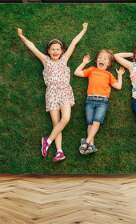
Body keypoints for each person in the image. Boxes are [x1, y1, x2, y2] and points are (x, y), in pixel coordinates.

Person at [16, 22, 88, 162]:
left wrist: (83, 30)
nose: (55, 51)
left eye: (58, 49)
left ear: (62, 51)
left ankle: (47, 142)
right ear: (48, 51)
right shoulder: (45, 60)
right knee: (56, 123)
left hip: (65, 91)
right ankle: (59, 151)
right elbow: (32, 47)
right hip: (51, 93)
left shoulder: (64, 59)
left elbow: (73, 43)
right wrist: (22, 36)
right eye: (52, 49)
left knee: (65, 118)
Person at [74, 50, 124, 154]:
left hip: (102, 102)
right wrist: (84, 63)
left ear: (109, 64)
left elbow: (118, 86)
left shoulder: (109, 75)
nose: (102, 59)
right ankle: (91, 145)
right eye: (100, 58)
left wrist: (120, 75)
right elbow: (76, 72)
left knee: (96, 122)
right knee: (90, 123)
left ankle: (86, 142)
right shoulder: (91, 70)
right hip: (90, 100)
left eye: (105, 59)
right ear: (96, 60)